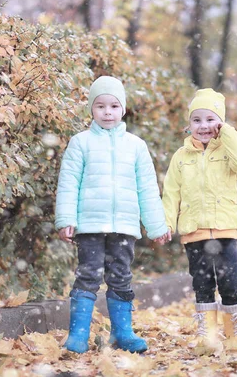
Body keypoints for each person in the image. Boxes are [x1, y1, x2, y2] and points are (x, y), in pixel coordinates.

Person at [55, 76, 170, 354]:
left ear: (123, 109)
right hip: (89, 227)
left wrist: (156, 226)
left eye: (114, 106)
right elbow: (68, 183)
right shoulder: (80, 143)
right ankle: (78, 336)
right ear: (91, 110)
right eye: (100, 106)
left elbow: (147, 189)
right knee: (88, 277)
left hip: (124, 228)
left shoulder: (136, 146)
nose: (108, 112)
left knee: (121, 277)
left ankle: (122, 333)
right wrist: (66, 219)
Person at [161, 88, 237, 345]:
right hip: (194, 231)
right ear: (188, 124)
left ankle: (235, 333)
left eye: (211, 119)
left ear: (221, 123)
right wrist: (167, 223)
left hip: (224, 229)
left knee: (230, 281)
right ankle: (208, 334)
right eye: (197, 120)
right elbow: (171, 193)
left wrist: (228, 132)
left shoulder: (228, 152)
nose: (203, 126)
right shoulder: (181, 157)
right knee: (202, 282)